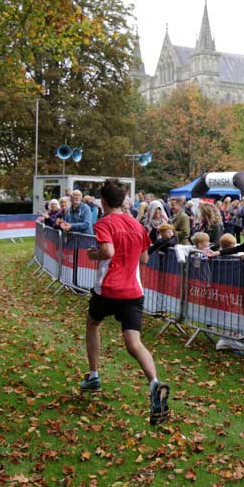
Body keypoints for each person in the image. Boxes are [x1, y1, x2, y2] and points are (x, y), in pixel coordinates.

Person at [80, 180, 170, 426]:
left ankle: (94, 375)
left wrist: (93, 254)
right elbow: (144, 258)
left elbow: (107, 251)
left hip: (108, 288)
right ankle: (154, 383)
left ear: (104, 202)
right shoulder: (136, 224)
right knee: (134, 343)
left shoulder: (104, 222)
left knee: (93, 323)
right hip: (133, 291)